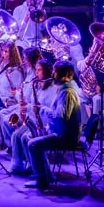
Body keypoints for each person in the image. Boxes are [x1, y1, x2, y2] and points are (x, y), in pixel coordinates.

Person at [25, 59, 82, 190]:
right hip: (61, 131)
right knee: (32, 139)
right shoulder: (65, 89)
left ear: (63, 74)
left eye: (55, 72)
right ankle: (46, 175)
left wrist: (42, 109)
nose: (53, 74)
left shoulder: (67, 92)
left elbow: (60, 116)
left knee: (33, 144)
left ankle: (42, 181)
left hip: (66, 137)